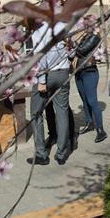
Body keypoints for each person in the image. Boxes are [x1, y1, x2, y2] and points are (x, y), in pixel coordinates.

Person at [27, 21, 72, 166]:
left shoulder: (40, 28)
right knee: (62, 112)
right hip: (63, 72)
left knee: (36, 114)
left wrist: (41, 79)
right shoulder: (63, 25)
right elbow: (72, 49)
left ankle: (41, 154)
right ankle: (61, 154)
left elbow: (41, 55)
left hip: (47, 74)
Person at [72, 15, 106, 143]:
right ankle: (89, 123)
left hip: (89, 72)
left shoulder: (94, 37)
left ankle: (101, 130)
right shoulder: (85, 36)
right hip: (80, 72)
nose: (83, 27)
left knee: (92, 101)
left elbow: (80, 51)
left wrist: (73, 42)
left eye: (86, 25)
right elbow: (73, 53)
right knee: (84, 100)